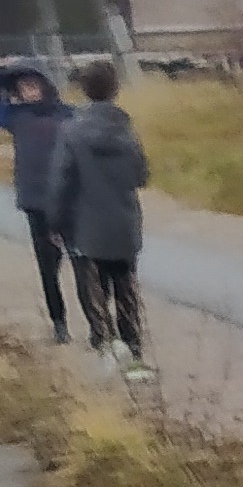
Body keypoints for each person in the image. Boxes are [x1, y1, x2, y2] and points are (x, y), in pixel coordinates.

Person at [52, 58, 149, 379]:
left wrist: (55, 221)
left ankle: (106, 347)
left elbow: (62, 180)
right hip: (123, 220)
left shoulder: (71, 131)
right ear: (115, 89)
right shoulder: (126, 130)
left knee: (93, 289)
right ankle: (134, 352)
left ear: (83, 89)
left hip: (86, 223)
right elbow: (140, 175)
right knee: (126, 289)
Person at [0, 57, 73, 341]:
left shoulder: (68, 115)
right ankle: (59, 323)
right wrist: (5, 73)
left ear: (45, 84)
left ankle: (97, 324)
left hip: (68, 199)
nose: (28, 90)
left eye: (33, 84)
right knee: (48, 267)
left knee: (84, 265)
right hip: (35, 201)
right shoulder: (14, 116)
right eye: (22, 86)